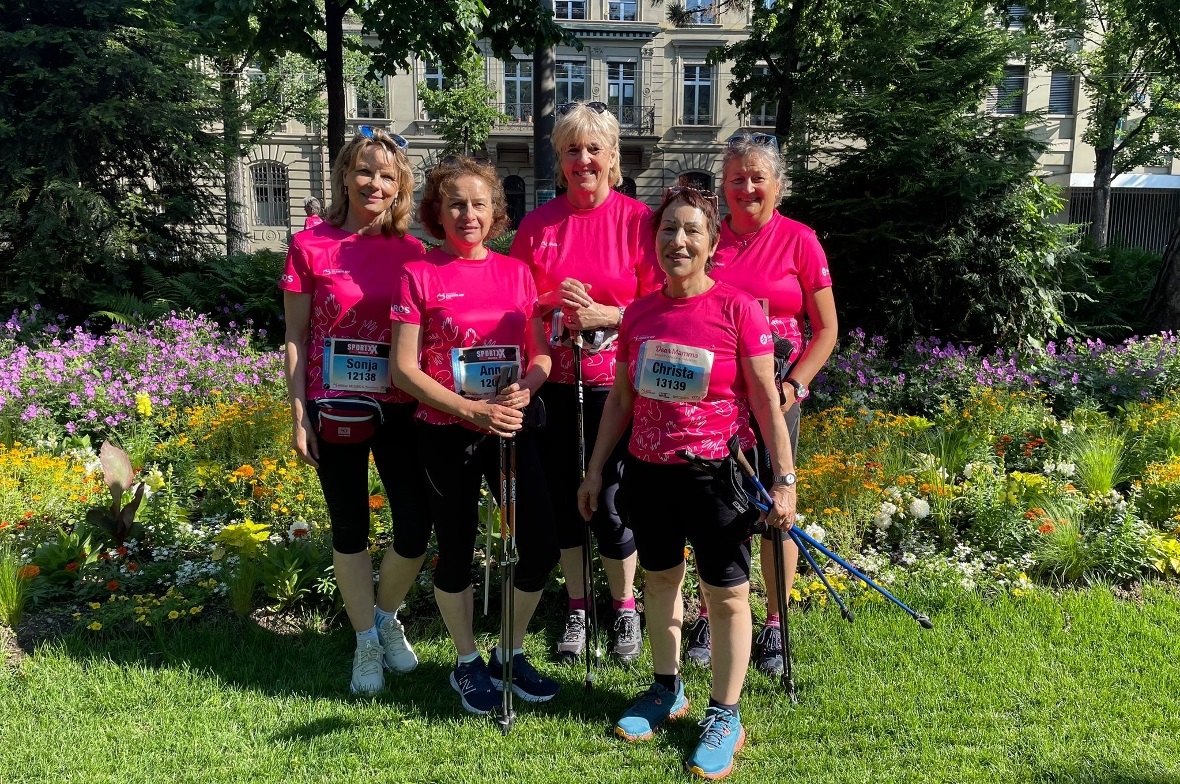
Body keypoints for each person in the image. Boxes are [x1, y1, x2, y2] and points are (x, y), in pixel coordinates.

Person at [577, 186, 797, 780]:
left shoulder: (738, 309)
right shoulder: (641, 313)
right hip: (649, 474)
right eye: (668, 230)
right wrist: (596, 468)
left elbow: (766, 404)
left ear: (711, 241)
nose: (678, 241)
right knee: (660, 582)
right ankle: (667, 689)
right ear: (655, 241)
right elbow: (621, 398)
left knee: (726, 596)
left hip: (717, 476)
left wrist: (785, 480)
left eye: (691, 230)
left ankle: (725, 712)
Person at [390, 157, 560, 715]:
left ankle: (508, 652)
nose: (468, 214)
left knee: (538, 544)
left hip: (508, 430)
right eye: (456, 203)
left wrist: (528, 387)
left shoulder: (516, 272)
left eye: (479, 203)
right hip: (444, 433)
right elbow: (404, 369)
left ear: (496, 212)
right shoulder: (419, 273)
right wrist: (471, 410)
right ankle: (466, 663)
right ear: (437, 210)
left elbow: (539, 353)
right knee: (457, 552)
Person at [510, 100, 660, 664]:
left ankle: (624, 610)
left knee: (612, 499)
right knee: (566, 503)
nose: (583, 160)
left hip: (616, 387)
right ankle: (576, 607)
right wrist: (552, 314)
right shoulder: (538, 224)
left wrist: (606, 315)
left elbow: (658, 307)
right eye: (572, 149)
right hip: (554, 384)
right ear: (560, 159)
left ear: (612, 156)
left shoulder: (637, 222)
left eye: (593, 148)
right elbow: (521, 305)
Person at [683, 132, 838, 677]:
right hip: (716, 400)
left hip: (776, 396)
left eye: (756, 178)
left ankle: (774, 621)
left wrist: (793, 386)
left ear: (777, 185)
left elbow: (826, 330)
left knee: (777, 506)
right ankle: (711, 609)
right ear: (721, 188)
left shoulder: (800, 240)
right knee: (714, 507)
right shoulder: (709, 241)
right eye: (735, 179)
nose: (746, 188)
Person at [280, 127, 427, 695]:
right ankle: (366, 640)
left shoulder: (413, 252)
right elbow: (294, 336)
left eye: (387, 175)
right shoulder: (309, 245)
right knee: (351, 528)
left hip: (399, 405)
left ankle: (385, 619)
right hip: (333, 404)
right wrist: (298, 414)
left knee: (415, 525)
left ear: (400, 187)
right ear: (345, 174)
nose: (375, 183)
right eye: (365, 171)